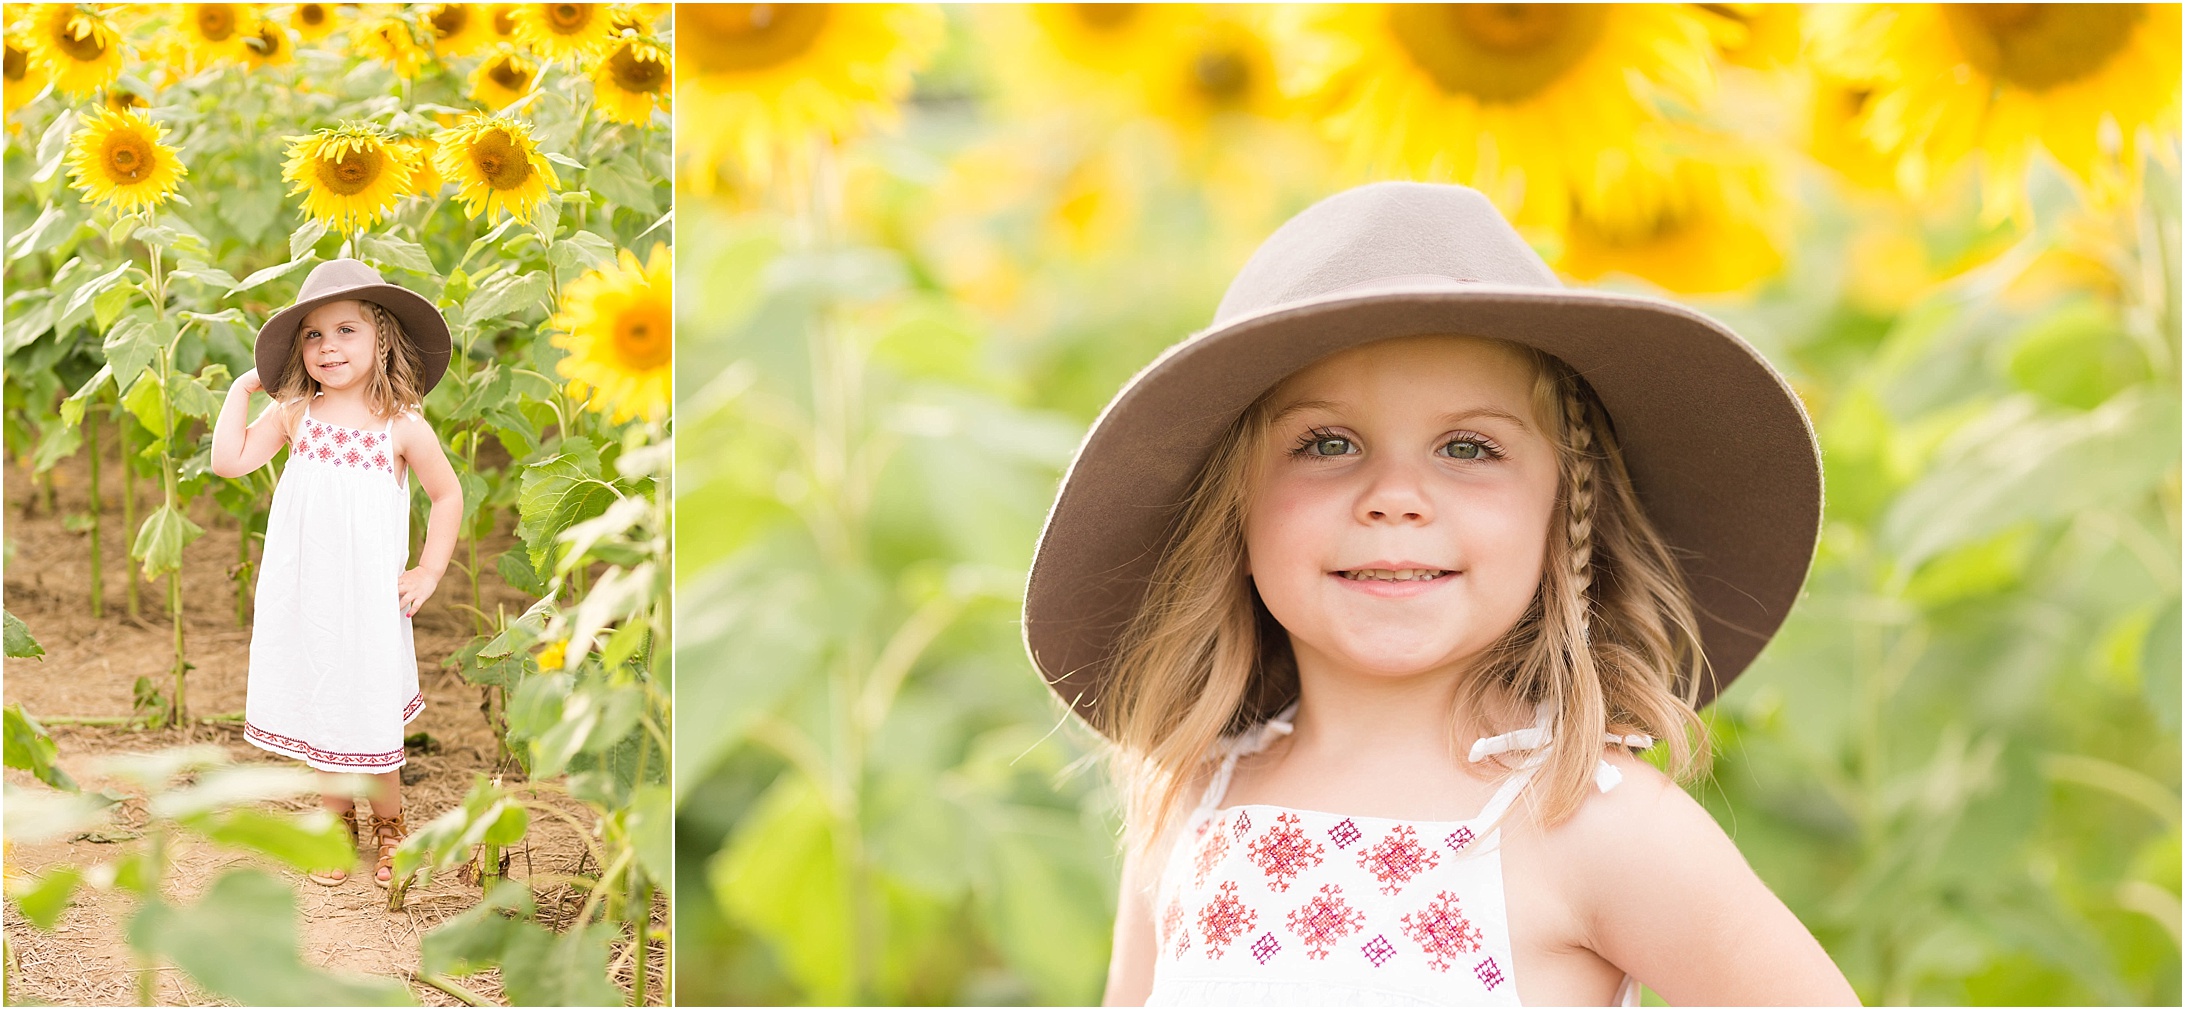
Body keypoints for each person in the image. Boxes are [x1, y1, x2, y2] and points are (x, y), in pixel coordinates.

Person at [1023, 182, 1860, 1006]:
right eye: (1327, 442)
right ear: (1233, 513)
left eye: (1466, 447)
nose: (1395, 494)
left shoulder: (1596, 826)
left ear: (1566, 514)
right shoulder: (1192, 803)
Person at [210, 258, 459, 889]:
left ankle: (392, 827)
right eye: (314, 335)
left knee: (368, 711)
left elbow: (448, 496)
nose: (329, 347)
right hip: (307, 592)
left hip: (370, 599)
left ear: (383, 339)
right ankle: (332, 827)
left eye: (346, 331)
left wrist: (429, 571)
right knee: (324, 707)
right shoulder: (297, 415)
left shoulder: (403, 427)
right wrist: (241, 392)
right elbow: (230, 462)